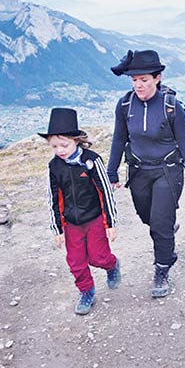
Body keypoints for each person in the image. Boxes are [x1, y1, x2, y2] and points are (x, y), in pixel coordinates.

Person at [107, 49, 185, 299]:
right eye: (134, 80)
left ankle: (162, 267)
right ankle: (167, 227)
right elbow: (119, 139)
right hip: (138, 171)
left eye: (144, 80)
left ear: (157, 78)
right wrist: (112, 170)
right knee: (146, 216)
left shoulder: (171, 107)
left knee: (159, 225)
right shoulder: (125, 105)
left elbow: (184, 141)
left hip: (167, 171)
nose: (138, 85)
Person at [40, 108, 120, 315]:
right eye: (54, 146)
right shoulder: (55, 166)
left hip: (94, 220)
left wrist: (110, 223)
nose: (60, 150)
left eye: (64, 145)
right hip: (72, 224)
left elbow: (105, 192)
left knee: (98, 257)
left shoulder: (91, 161)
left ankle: (111, 265)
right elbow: (53, 198)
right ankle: (86, 291)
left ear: (76, 140)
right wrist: (57, 228)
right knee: (75, 262)